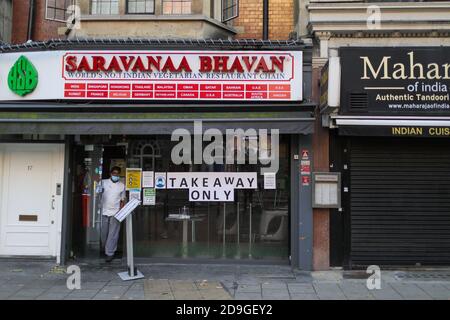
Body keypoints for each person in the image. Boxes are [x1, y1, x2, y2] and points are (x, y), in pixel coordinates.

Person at [100, 166, 126, 262]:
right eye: (114, 173)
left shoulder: (122, 185)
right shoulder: (103, 182)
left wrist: (121, 212)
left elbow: (122, 200)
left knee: (113, 234)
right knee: (103, 233)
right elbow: (97, 194)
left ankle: (110, 253)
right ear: (110, 173)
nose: (115, 175)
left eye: (117, 173)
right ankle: (103, 248)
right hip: (103, 211)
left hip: (116, 212)